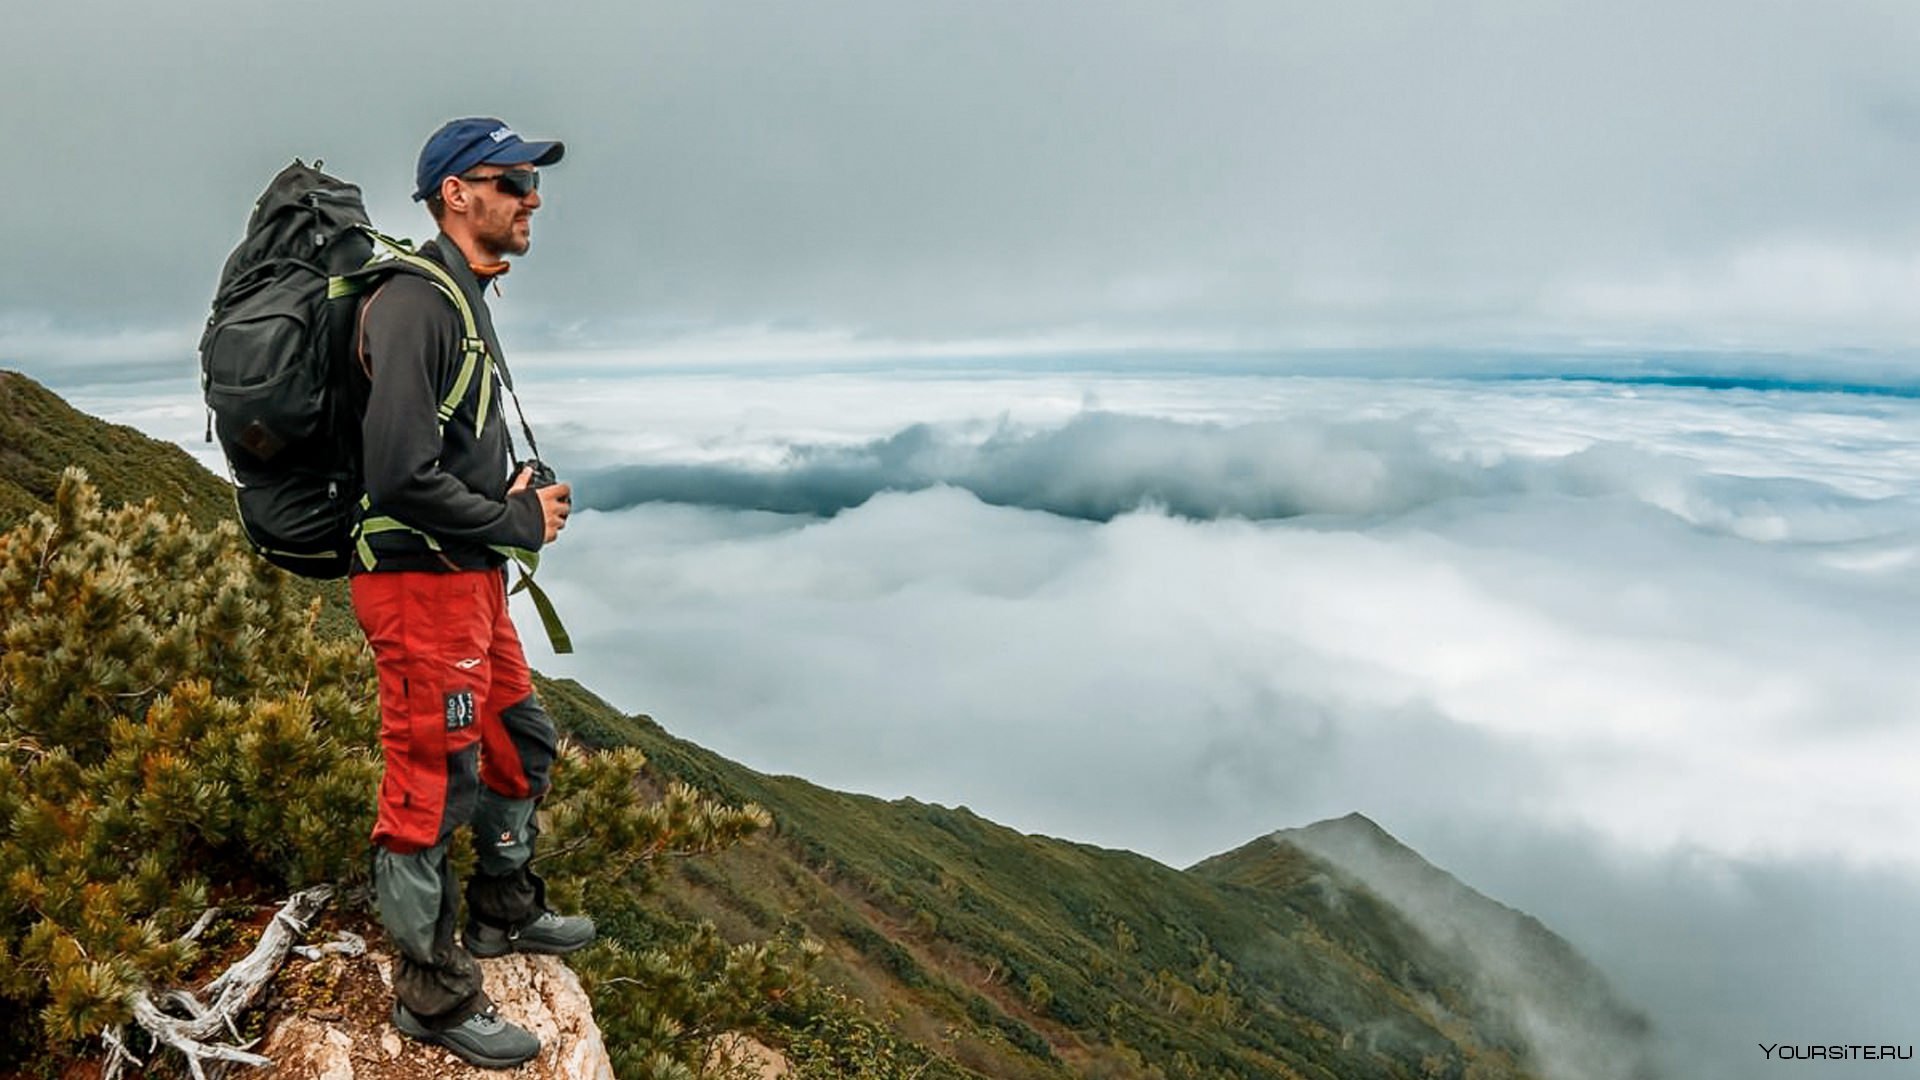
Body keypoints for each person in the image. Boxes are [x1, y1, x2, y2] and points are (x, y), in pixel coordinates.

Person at [350, 116, 593, 1069]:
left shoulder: (465, 293)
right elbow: (401, 473)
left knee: (517, 736)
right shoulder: (416, 302)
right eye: (513, 182)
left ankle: (502, 912)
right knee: (432, 777)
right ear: (456, 192)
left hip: (465, 576)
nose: (532, 199)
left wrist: (506, 500)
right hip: (418, 583)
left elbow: (445, 451)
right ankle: (433, 998)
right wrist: (520, 523)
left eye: (534, 184)